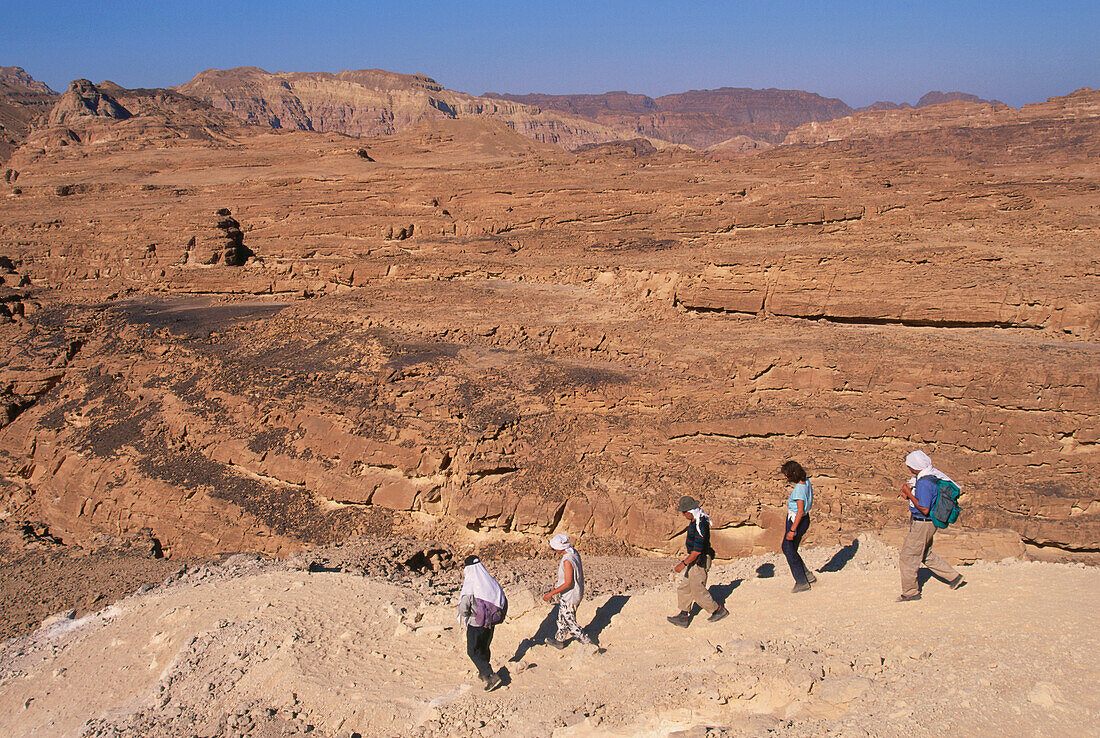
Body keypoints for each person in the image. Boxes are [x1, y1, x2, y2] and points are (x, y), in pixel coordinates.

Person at [896, 450, 966, 602]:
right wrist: (909, 495)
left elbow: (924, 508)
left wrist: (909, 492)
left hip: (923, 524)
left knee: (908, 557)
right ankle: (954, 577)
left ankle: (910, 592)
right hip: (924, 523)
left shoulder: (926, 482)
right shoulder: (925, 479)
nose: (908, 468)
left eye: (910, 465)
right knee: (925, 554)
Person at [667, 496, 728, 627]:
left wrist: (683, 564)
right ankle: (683, 616)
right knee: (685, 586)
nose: (683, 515)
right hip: (694, 560)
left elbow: (697, 551)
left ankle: (718, 610)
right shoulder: (696, 521)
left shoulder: (700, 525)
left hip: (700, 561)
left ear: (690, 511)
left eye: (684, 512)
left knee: (697, 589)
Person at [457, 555, 507, 690]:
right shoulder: (490, 582)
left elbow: (463, 609)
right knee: (484, 647)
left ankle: (490, 675)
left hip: (476, 623)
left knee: (472, 650)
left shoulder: (470, 585)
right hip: (490, 623)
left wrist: (468, 615)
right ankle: (483, 671)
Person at [542, 533, 594, 648]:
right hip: (572, 593)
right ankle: (559, 640)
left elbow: (568, 583)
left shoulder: (567, 561)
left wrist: (551, 593)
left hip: (570, 596)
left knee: (570, 621)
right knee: (562, 618)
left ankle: (587, 642)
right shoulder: (573, 552)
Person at [781, 460, 817, 593]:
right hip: (804, 519)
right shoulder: (806, 481)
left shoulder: (799, 490)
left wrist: (792, 530)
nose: (787, 479)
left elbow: (800, 511)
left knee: (787, 548)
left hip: (797, 520)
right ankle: (807, 575)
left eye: (788, 476)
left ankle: (801, 582)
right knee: (791, 549)